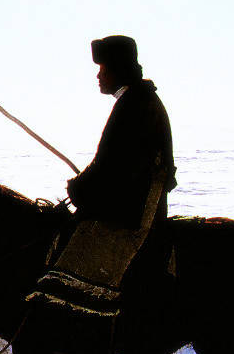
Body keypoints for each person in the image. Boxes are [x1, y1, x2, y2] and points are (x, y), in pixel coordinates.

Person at [27, 35, 176, 318]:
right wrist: (85, 183)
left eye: (103, 69)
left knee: (71, 263)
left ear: (118, 70)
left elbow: (116, 168)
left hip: (131, 209)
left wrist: (80, 188)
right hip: (131, 199)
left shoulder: (135, 105)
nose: (98, 76)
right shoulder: (137, 100)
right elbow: (111, 162)